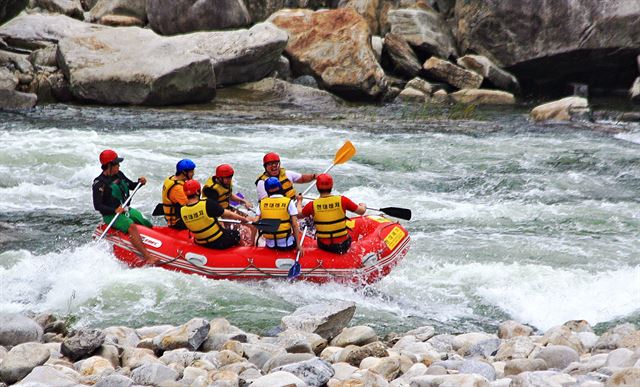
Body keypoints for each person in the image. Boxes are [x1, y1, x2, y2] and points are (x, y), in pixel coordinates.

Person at [92, 149, 158, 264]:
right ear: (109, 165)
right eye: (117, 164)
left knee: (144, 221)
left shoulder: (119, 174)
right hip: (111, 215)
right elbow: (97, 206)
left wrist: (139, 183)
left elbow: (131, 185)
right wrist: (114, 209)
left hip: (125, 210)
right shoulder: (99, 183)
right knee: (132, 226)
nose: (119, 166)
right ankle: (148, 257)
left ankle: (158, 245)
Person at [297, 173, 366, 254]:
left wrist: (299, 201)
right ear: (331, 186)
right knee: (348, 236)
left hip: (325, 246)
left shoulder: (312, 205)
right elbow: (361, 211)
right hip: (344, 245)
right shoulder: (342, 200)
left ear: (317, 187)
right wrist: (363, 205)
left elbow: (298, 214)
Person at [180, 180, 253, 249]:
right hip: (218, 241)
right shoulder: (206, 203)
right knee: (236, 233)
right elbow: (229, 214)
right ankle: (245, 251)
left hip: (200, 242)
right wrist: (243, 219)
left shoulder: (182, 210)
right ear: (197, 192)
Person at [256, 177, 304, 254]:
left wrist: (252, 244)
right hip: (286, 245)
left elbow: (255, 222)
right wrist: (298, 245)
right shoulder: (288, 201)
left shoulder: (261, 203)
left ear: (267, 190)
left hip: (270, 245)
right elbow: (295, 225)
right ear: (280, 187)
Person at [161, 159, 195, 229]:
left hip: (173, 215)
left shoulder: (170, 179)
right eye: (191, 172)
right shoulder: (177, 188)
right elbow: (190, 206)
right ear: (184, 172)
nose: (193, 174)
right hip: (177, 222)